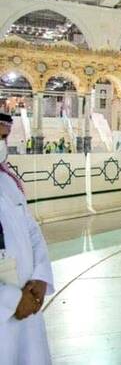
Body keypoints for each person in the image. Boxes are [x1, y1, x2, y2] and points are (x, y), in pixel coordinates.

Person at [0, 112, 55, 365]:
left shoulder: (7, 182)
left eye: (4, 138)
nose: (2, 145)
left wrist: (41, 278)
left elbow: (32, 231)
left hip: (28, 303)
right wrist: (12, 300)